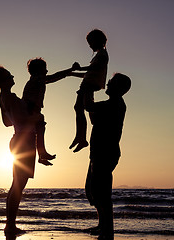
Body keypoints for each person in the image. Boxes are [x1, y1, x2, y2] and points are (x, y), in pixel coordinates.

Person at [0, 66, 38, 236]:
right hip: (24, 141)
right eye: (10, 75)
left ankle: (10, 224)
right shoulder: (11, 98)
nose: (13, 76)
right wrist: (37, 118)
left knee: (16, 185)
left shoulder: (3, 98)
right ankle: (10, 225)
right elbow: (21, 119)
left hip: (18, 140)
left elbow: (7, 122)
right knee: (18, 186)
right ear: (4, 81)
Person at [83, 73, 131, 240]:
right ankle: (103, 225)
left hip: (105, 153)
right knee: (94, 191)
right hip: (100, 152)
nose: (108, 83)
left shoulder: (115, 104)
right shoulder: (113, 104)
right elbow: (94, 119)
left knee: (101, 193)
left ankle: (107, 229)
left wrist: (87, 89)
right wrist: (88, 95)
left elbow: (89, 106)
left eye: (111, 82)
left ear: (118, 88)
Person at [23, 58, 79, 165]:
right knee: (39, 128)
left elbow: (53, 77)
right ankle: (42, 153)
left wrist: (70, 73)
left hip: (33, 111)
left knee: (39, 130)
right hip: (31, 111)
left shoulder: (37, 80)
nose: (46, 71)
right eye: (44, 69)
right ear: (37, 70)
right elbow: (53, 77)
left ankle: (41, 154)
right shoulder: (36, 80)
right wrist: (70, 70)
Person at [69, 29, 109, 152]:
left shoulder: (102, 54)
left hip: (89, 85)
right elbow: (89, 73)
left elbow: (93, 68)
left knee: (82, 107)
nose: (90, 45)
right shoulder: (100, 55)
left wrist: (79, 68)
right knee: (80, 108)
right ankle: (80, 137)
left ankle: (81, 138)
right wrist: (73, 73)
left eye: (91, 42)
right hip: (87, 83)